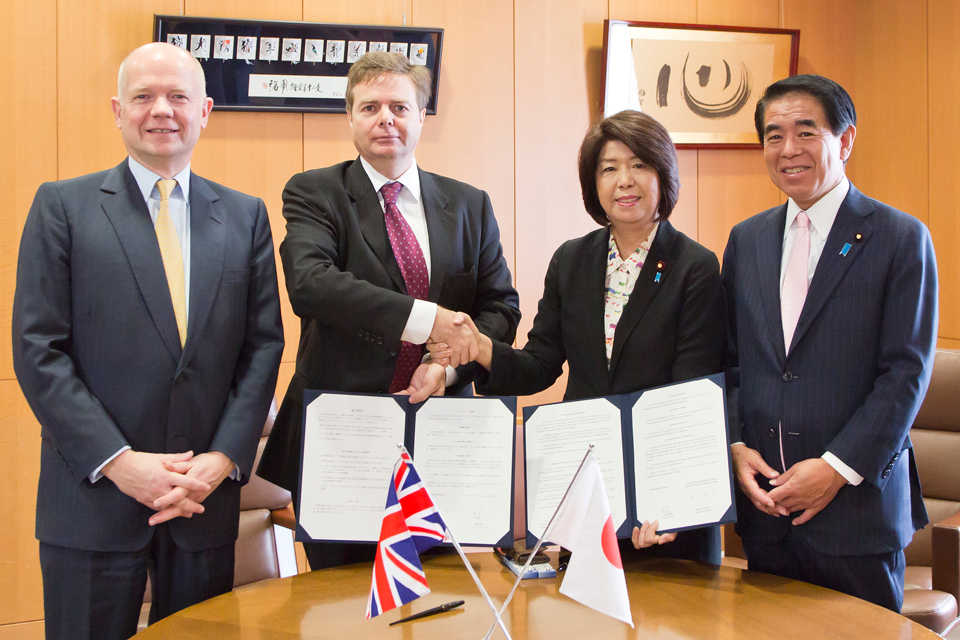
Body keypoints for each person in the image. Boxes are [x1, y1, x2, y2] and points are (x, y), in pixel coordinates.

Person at [12, 42, 284, 639]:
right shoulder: (63, 207)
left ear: (205, 110)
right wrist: (119, 463)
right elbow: (39, 350)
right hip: (91, 504)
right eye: (143, 96)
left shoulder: (244, 216)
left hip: (202, 503)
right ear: (117, 110)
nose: (161, 110)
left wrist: (221, 461)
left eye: (178, 96)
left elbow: (263, 347)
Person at [257, 51, 520, 569]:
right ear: (349, 117)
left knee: (442, 600)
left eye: (400, 107)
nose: (386, 119)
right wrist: (429, 320)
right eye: (370, 107)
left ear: (422, 116)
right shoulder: (315, 192)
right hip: (343, 436)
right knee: (339, 607)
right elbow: (311, 285)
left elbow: (500, 308)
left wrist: (445, 365)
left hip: (443, 436)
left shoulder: (470, 205)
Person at [443, 110, 724, 563]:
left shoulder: (695, 265)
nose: (624, 181)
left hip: (666, 512)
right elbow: (539, 365)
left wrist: (668, 505)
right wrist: (482, 349)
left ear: (664, 174)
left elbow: (688, 396)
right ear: (593, 184)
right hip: (591, 496)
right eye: (609, 168)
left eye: (639, 165)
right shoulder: (572, 260)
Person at [722, 74, 937, 611]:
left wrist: (836, 469)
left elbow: (905, 374)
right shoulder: (746, 240)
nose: (788, 149)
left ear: (844, 141)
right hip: (767, 515)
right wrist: (735, 446)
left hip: (856, 519)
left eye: (805, 132)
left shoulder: (900, 237)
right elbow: (730, 364)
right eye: (773, 135)